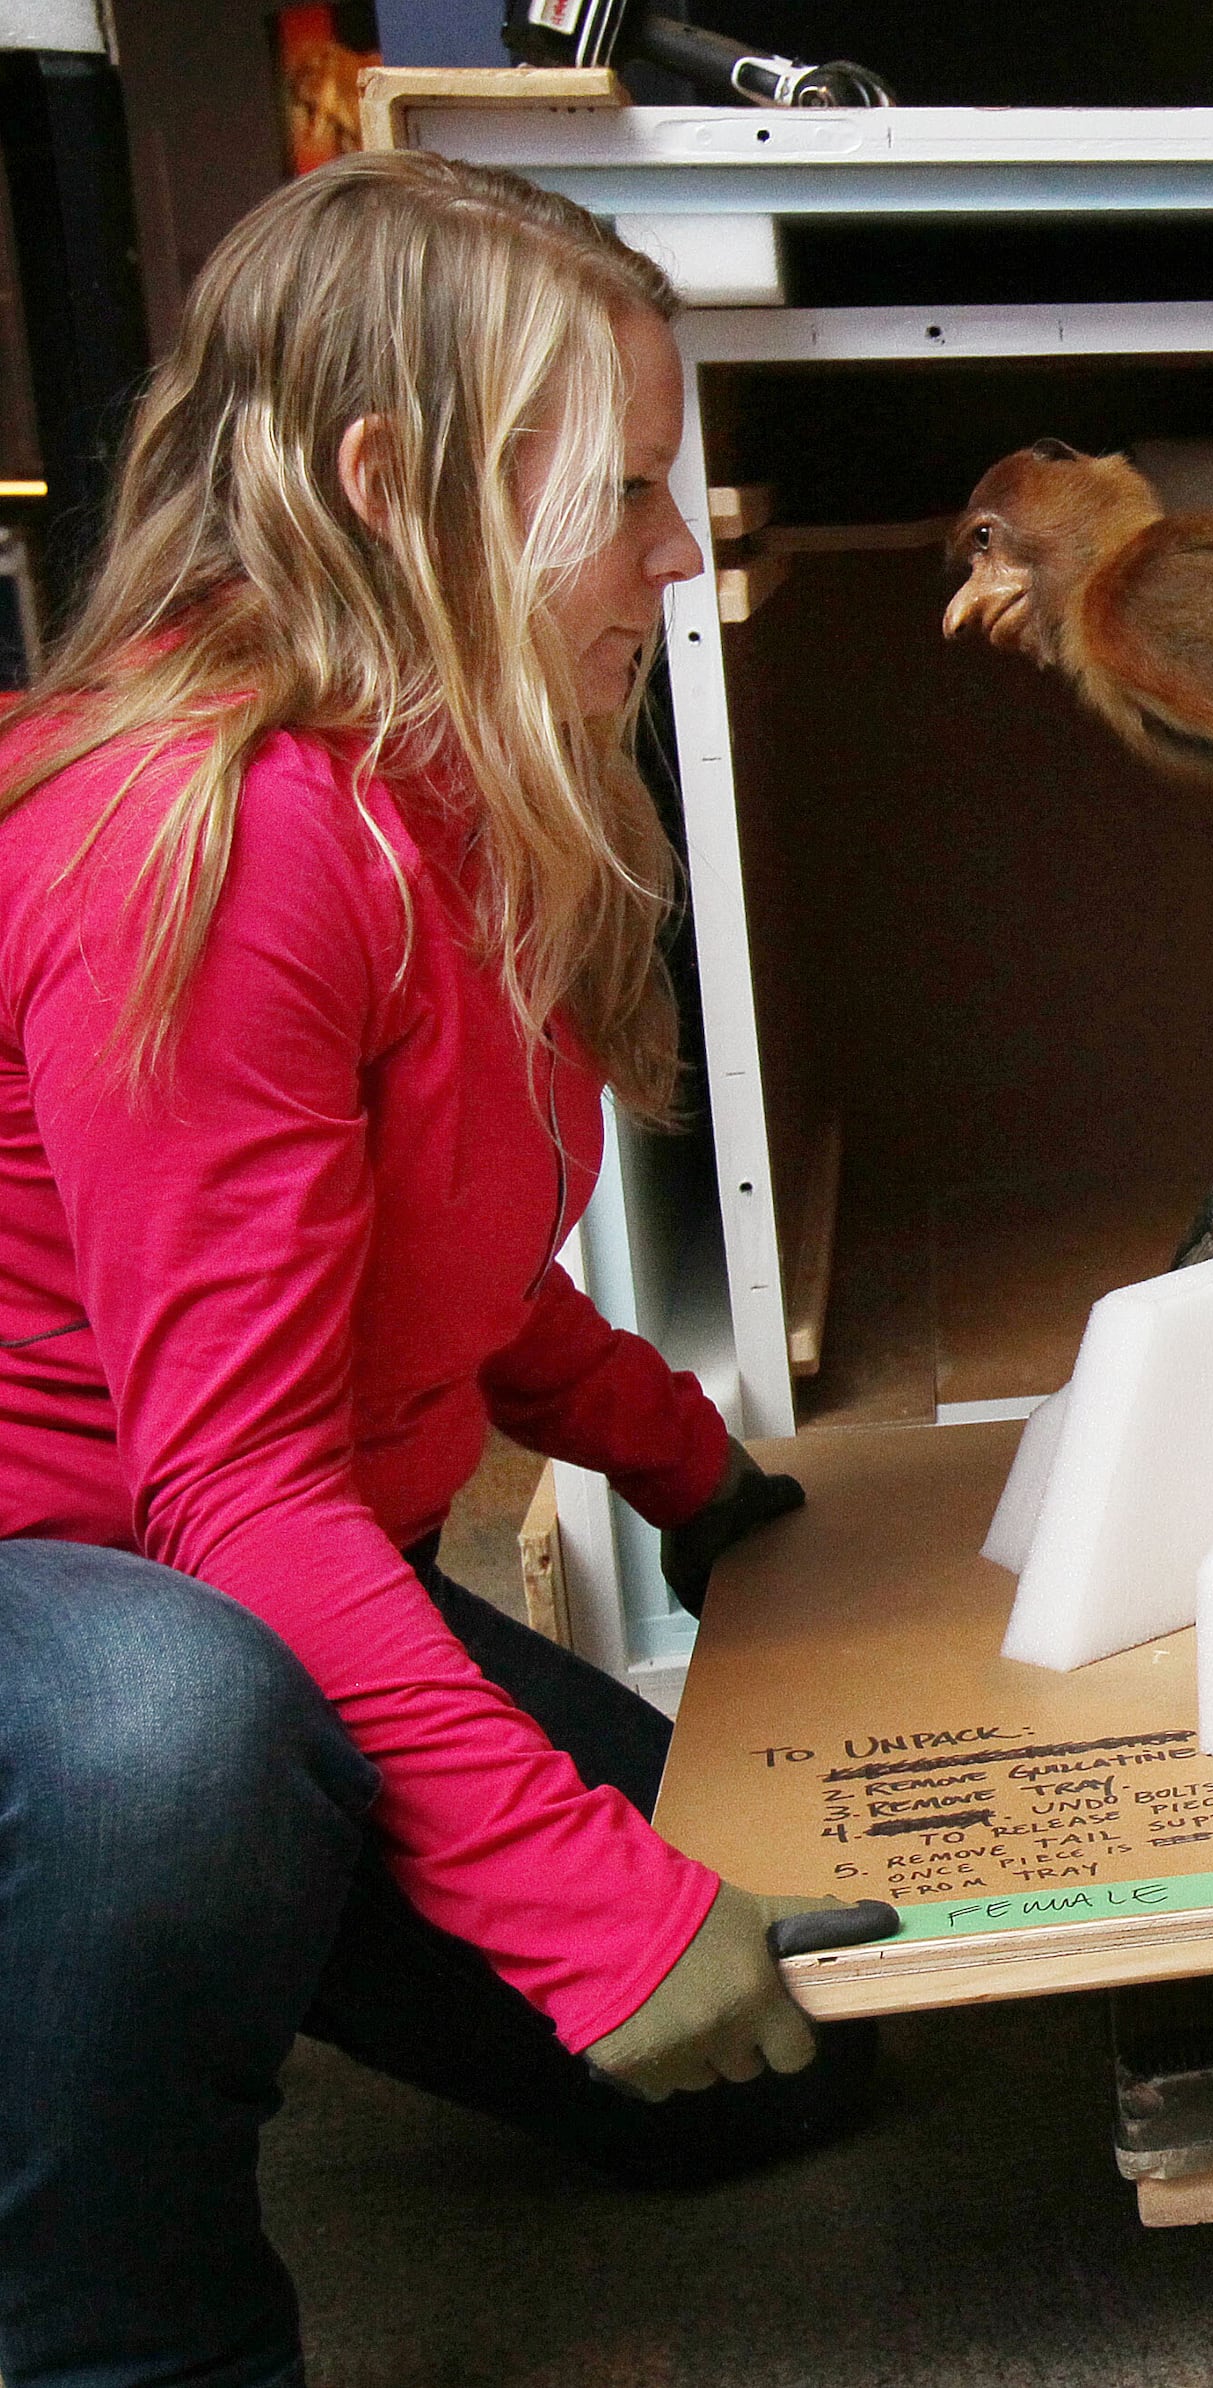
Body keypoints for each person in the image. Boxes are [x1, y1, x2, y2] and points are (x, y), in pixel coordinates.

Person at [0, 152, 862, 2388]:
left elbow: (450, 1258)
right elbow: (237, 1493)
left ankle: (192, 1947)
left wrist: (705, 1476)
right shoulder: (207, 834)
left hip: (249, 1591)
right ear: (394, 488)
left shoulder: (455, 787)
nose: (677, 557)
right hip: (79, 1627)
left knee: (787, 2050)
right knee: (177, 1730)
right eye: (632, 494)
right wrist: (582, 1913)